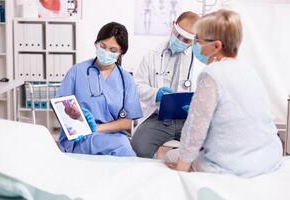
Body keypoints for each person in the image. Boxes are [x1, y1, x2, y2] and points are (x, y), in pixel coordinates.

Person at [165, 9, 283, 177]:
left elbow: (194, 132)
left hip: (233, 164)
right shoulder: (249, 71)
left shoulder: (211, 75)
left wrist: (181, 170)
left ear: (216, 46)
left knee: (171, 155)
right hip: (269, 157)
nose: (195, 45)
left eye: (199, 40)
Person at [57, 22, 143, 156]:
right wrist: (80, 126)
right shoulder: (77, 71)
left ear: (121, 52)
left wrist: (96, 128)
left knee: (122, 144)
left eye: (113, 50)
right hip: (79, 137)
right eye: (102, 46)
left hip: (112, 136)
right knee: (123, 148)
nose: (106, 52)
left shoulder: (126, 80)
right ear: (96, 43)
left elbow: (129, 121)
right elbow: (61, 107)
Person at [131, 11, 204, 158]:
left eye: (186, 40)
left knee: (208, 149)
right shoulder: (152, 55)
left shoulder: (200, 62)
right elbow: (136, 87)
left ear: (194, 41)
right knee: (139, 148)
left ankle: (172, 156)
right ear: (173, 26)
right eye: (178, 35)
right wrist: (155, 93)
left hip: (189, 120)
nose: (180, 41)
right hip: (159, 118)